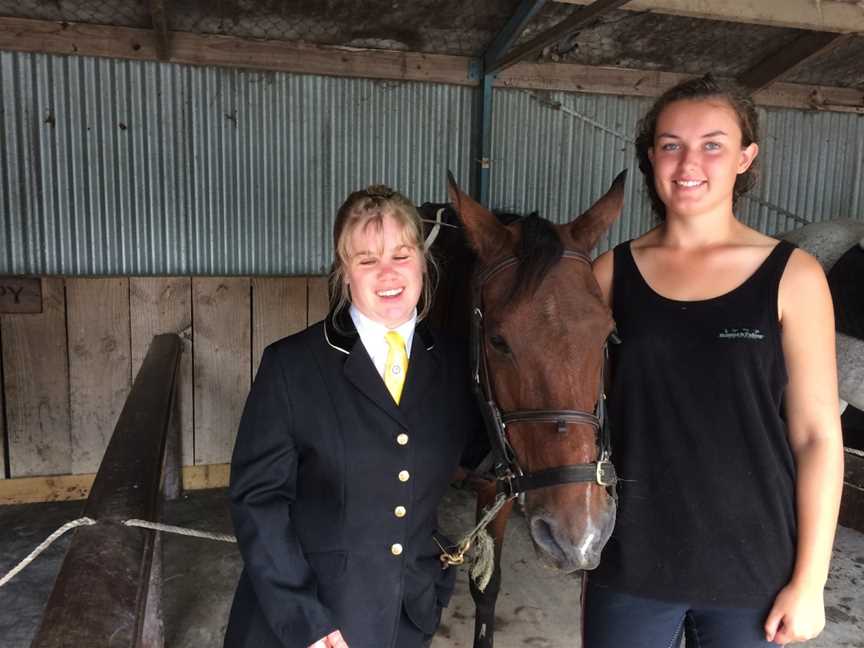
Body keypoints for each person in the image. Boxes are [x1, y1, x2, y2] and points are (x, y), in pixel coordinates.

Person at [586, 76, 844, 647]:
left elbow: (816, 438)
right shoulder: (609, 276)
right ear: (652, 156)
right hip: (632, 563)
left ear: (745, 157)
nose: (688, 162)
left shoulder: (794, 277)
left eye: (712, 144)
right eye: (671, 144)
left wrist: (810, 581)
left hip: (754, 570)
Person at [223, 185, 482, 648]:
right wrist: (306, 620)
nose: (387, 273)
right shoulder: (292, 366)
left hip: (408, 614)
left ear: (424, 264)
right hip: (314, 621)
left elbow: (480, 459)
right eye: (366, 260)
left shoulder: (453, 363)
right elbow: (258, 502)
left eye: (401, 255)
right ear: (345, 274)